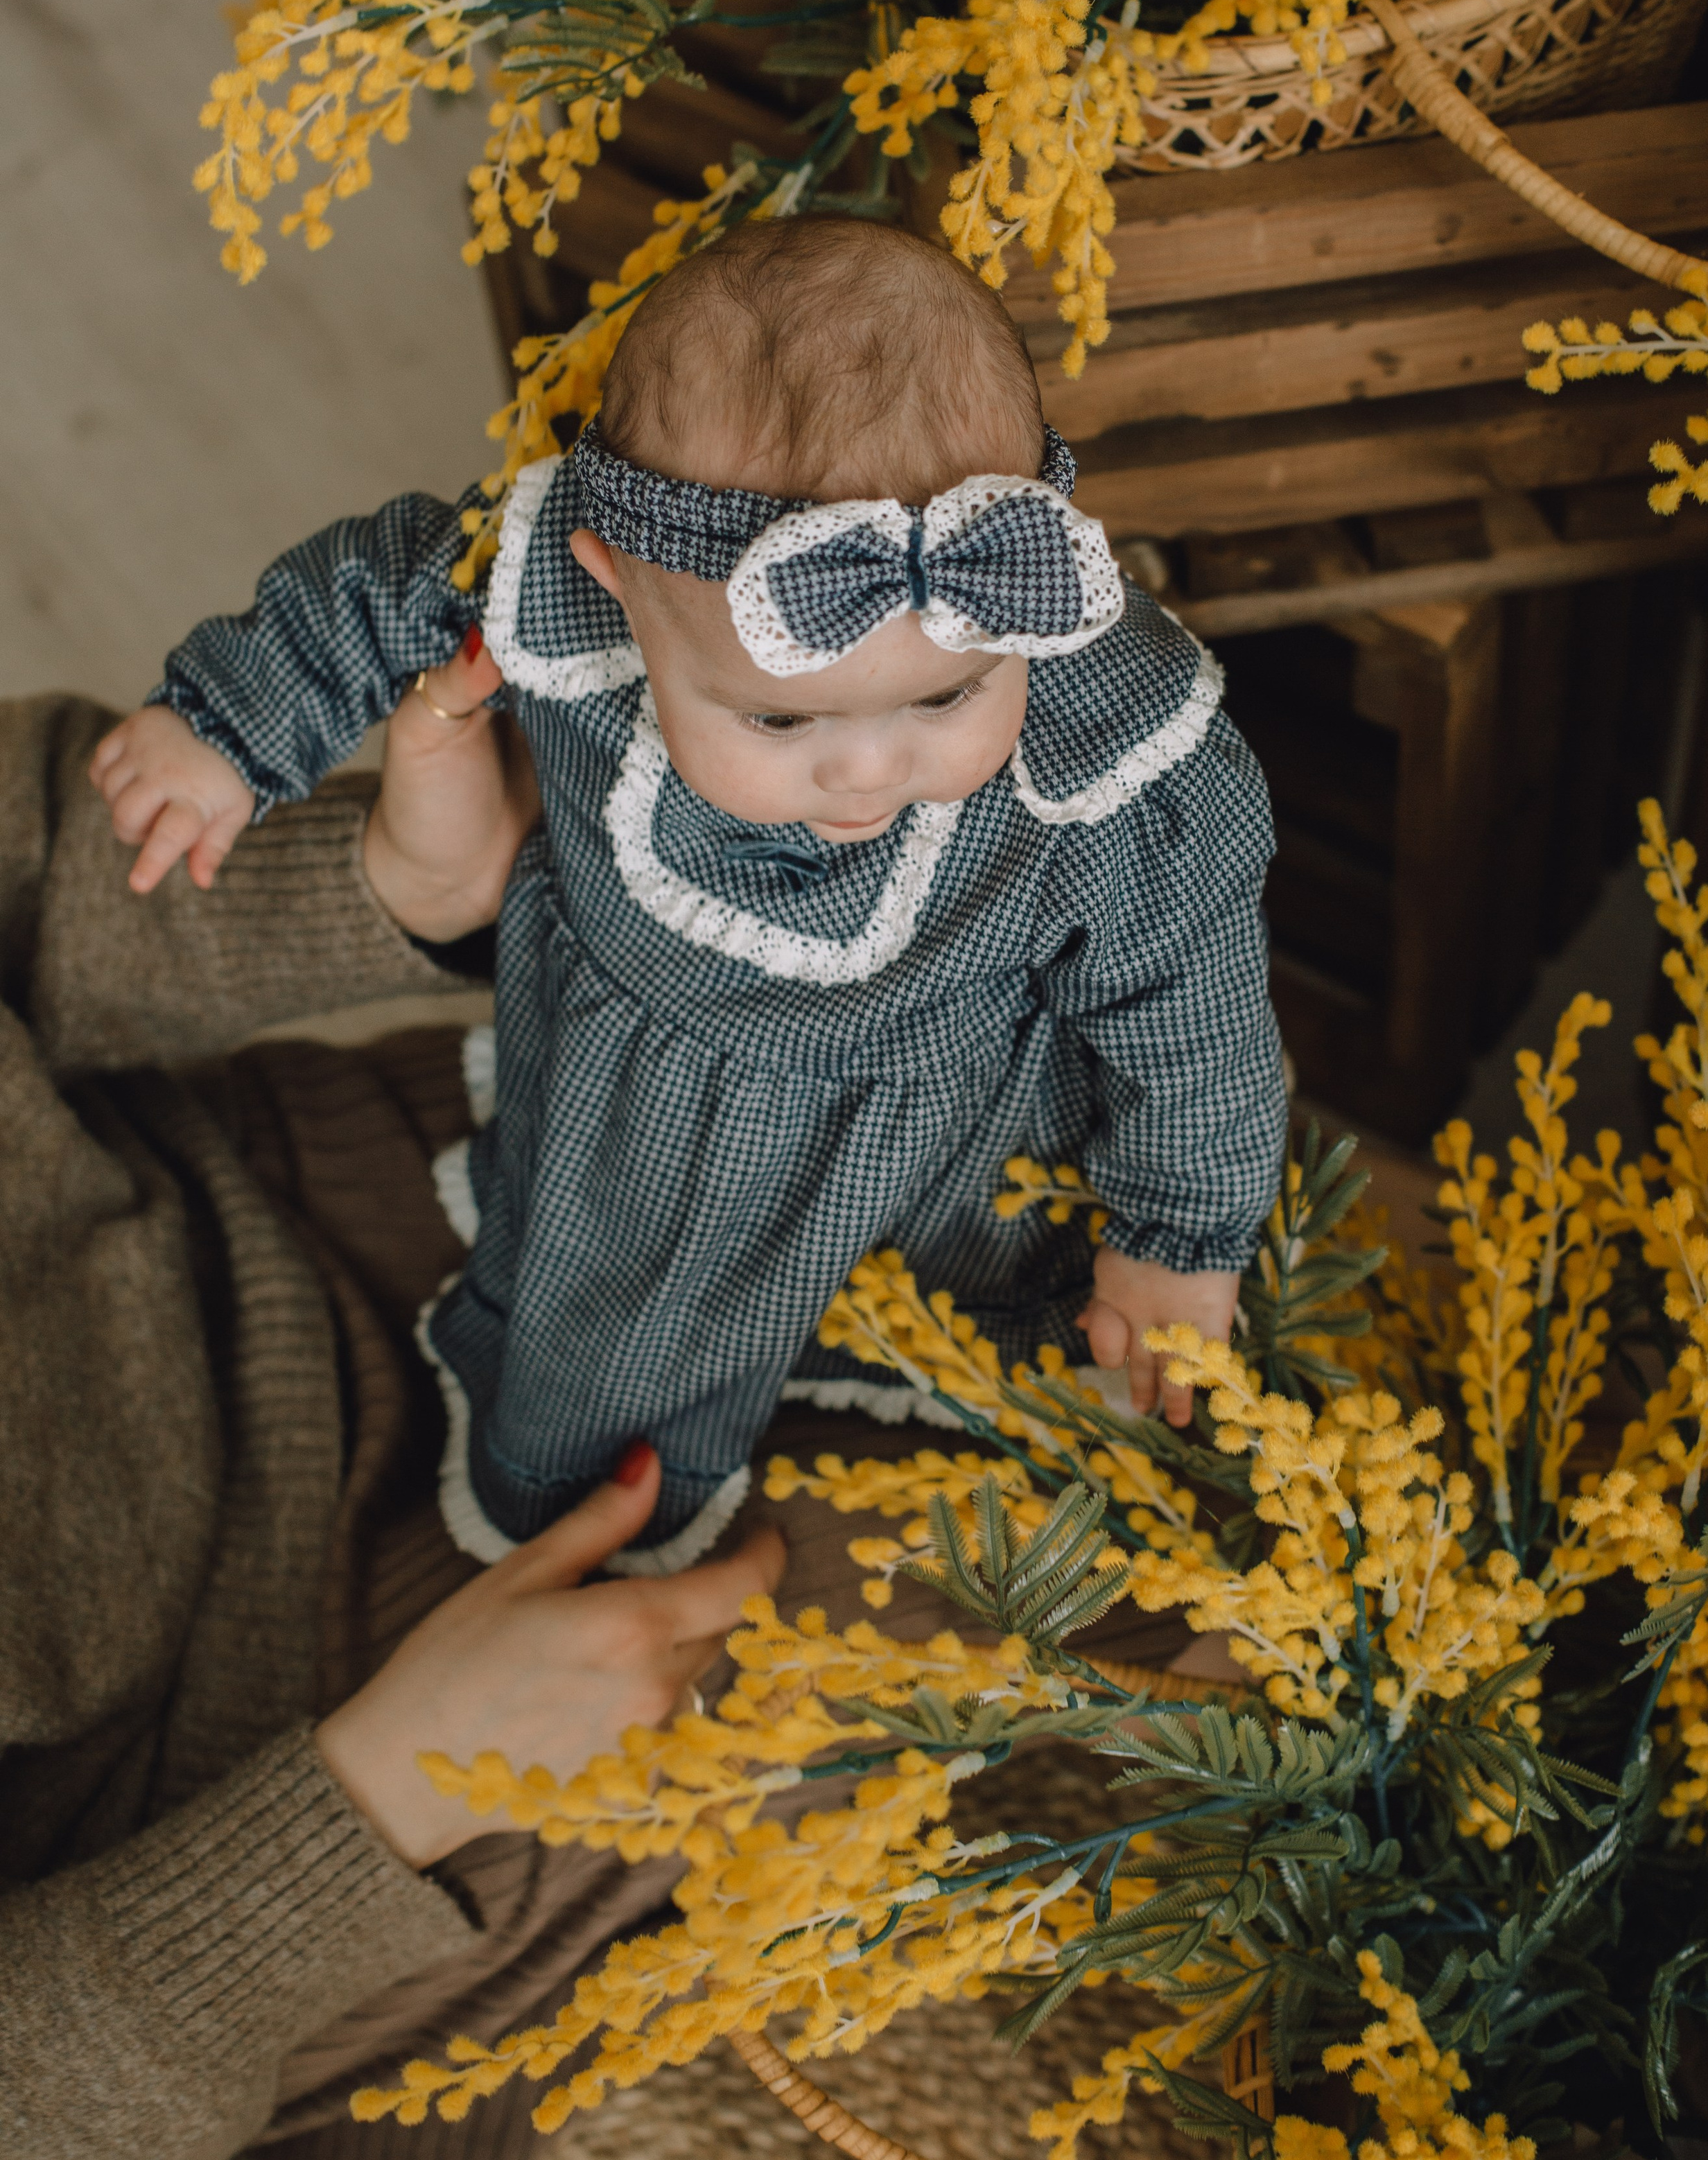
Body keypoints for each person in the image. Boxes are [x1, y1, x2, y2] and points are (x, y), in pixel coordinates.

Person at [1, 655, 1203, 2160]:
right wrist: (375, 1802)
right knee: (1107, 1552)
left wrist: (389, 879)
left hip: (260, 1203)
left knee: (1088, 1202)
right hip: (276, 1786)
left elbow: (31, 860)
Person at [91, 219, 1288, 1576]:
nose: (869, 768)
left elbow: (1188, 1003)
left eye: (949, 694)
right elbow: (379, 587)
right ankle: (601, 1500)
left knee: (999, 1330)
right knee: (617, 1353)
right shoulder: (575, 594)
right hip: (646, 1109)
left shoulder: (1102, 752)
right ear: (613, 582)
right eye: (778, 723)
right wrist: (229, 729)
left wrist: (1180, 1233)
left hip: (954, 1125)